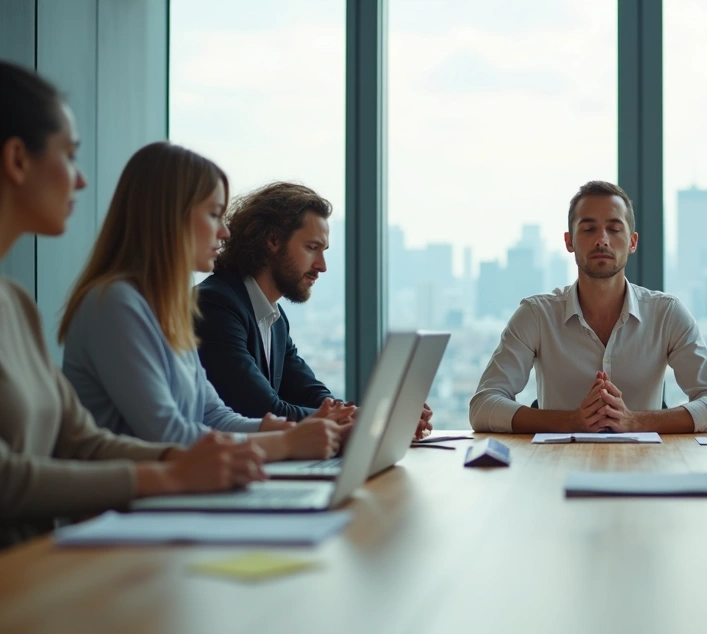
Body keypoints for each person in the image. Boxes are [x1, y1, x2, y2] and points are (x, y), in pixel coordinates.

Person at [0, 61, 264, 548]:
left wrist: (187, 464)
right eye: (69, 156)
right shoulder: (114, 302)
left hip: (38, 561)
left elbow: (82, 441)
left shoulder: (14, 302)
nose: (82, 181)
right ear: (17, 160)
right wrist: (171, 475)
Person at [59, 141, 350, 461]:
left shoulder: (168, 310)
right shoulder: (116, 304)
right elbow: (167, 434)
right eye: (214, 215)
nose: (224, 232)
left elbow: (213, 415)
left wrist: (286, 431)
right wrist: (287, 442)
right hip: (129, 491)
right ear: (170, 217)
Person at [470, 180, 707, 433]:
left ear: (632, 242)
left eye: (614, 229)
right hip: (557, 462)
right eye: (588, 229)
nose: (602, 240)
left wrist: (635, 422)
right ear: (569, 241)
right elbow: (483, 405)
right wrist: (569, 422)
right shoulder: (537, 315)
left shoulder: (667, 314)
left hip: (645, 462)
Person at [194, 181, 432, 439]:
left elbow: (312, 395)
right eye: (312, 248)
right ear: (272, 240)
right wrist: (362, 420)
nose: (322, 265)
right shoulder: (215, 305)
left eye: (323, 251)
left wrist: (377, 417)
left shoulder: (274, 319)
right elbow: (263, 411)